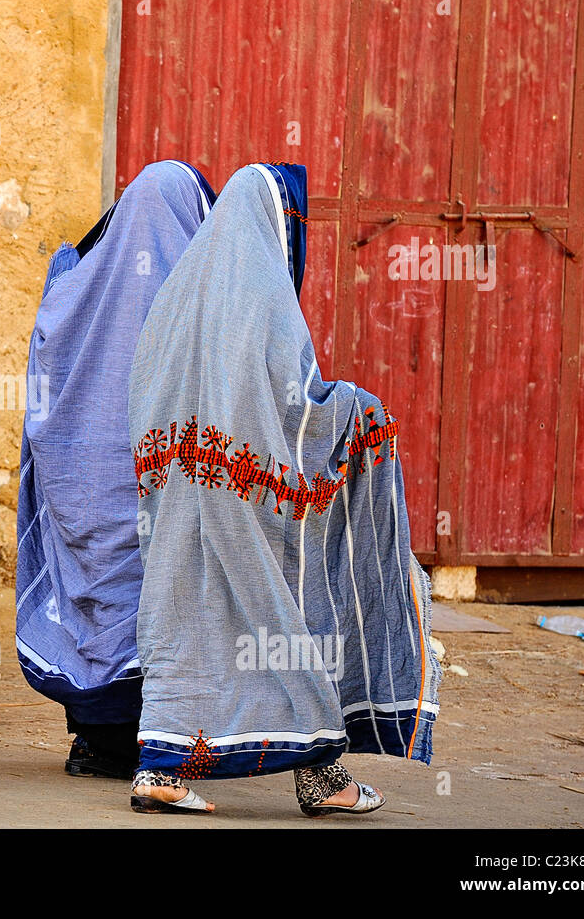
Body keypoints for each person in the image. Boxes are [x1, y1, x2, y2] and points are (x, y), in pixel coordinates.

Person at [127, 162, 441, 815]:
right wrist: (357, 410)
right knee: (291, 615)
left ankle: (159, 768)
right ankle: (320, 776)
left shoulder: (172, 304)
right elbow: (294, 414)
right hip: (246, 502)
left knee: (184, 624)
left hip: (175, 504)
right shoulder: (258, 306)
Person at [16, 160, 214, 778]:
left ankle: (95, 740)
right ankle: (146, 737)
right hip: (148, 487)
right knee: (152, 600)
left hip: (81, 487)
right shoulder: (193, 288)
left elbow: (48, 360)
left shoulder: (81, 279)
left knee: (94, 598)